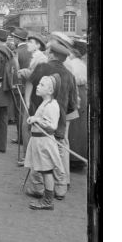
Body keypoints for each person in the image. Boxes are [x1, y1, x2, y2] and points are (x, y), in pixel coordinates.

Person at [23, 41, 78, 199]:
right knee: (58, 155)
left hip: (40, 121)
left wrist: (28, 103)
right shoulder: (69, 74)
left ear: (52, 54)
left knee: (40, 154)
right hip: (59, 123)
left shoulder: (41, 68)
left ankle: (38, 188)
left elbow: (30, 82)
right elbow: (72, 104)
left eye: (48, 51)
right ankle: (60, 189)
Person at [24, 74, 65, 210]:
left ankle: (48, 201)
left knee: (47, 172)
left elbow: (52, 125)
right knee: (44, 171)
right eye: (39, 83)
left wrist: (37, 120)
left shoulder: (52, 105)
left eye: (42, 85)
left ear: (50, 91)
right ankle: (46, 198)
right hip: (39, 141)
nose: (37, 86)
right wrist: (34, 118)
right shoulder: (45, 102)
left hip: (44, 143)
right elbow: (43, 119)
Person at [17, 32, 48, 165]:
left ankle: (28, 157)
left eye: (30, 42)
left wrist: (25, 72)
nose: (28, 44)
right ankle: (28, 155)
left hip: (35, 96)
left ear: (37, 45)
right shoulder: (36, 57)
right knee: (27, 126)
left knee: (27, 126)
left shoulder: (40, 59)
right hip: (32, 95)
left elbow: (35, 78)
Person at [9, 28, 30, 142]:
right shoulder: (31, 50)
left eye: (14, 38)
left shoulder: (17, 52)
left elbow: (14, 71)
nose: (13, 40)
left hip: (19, 86)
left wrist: (13, 84)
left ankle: (21, 137)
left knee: (19, 112)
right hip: (30, 86)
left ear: (17, 39)